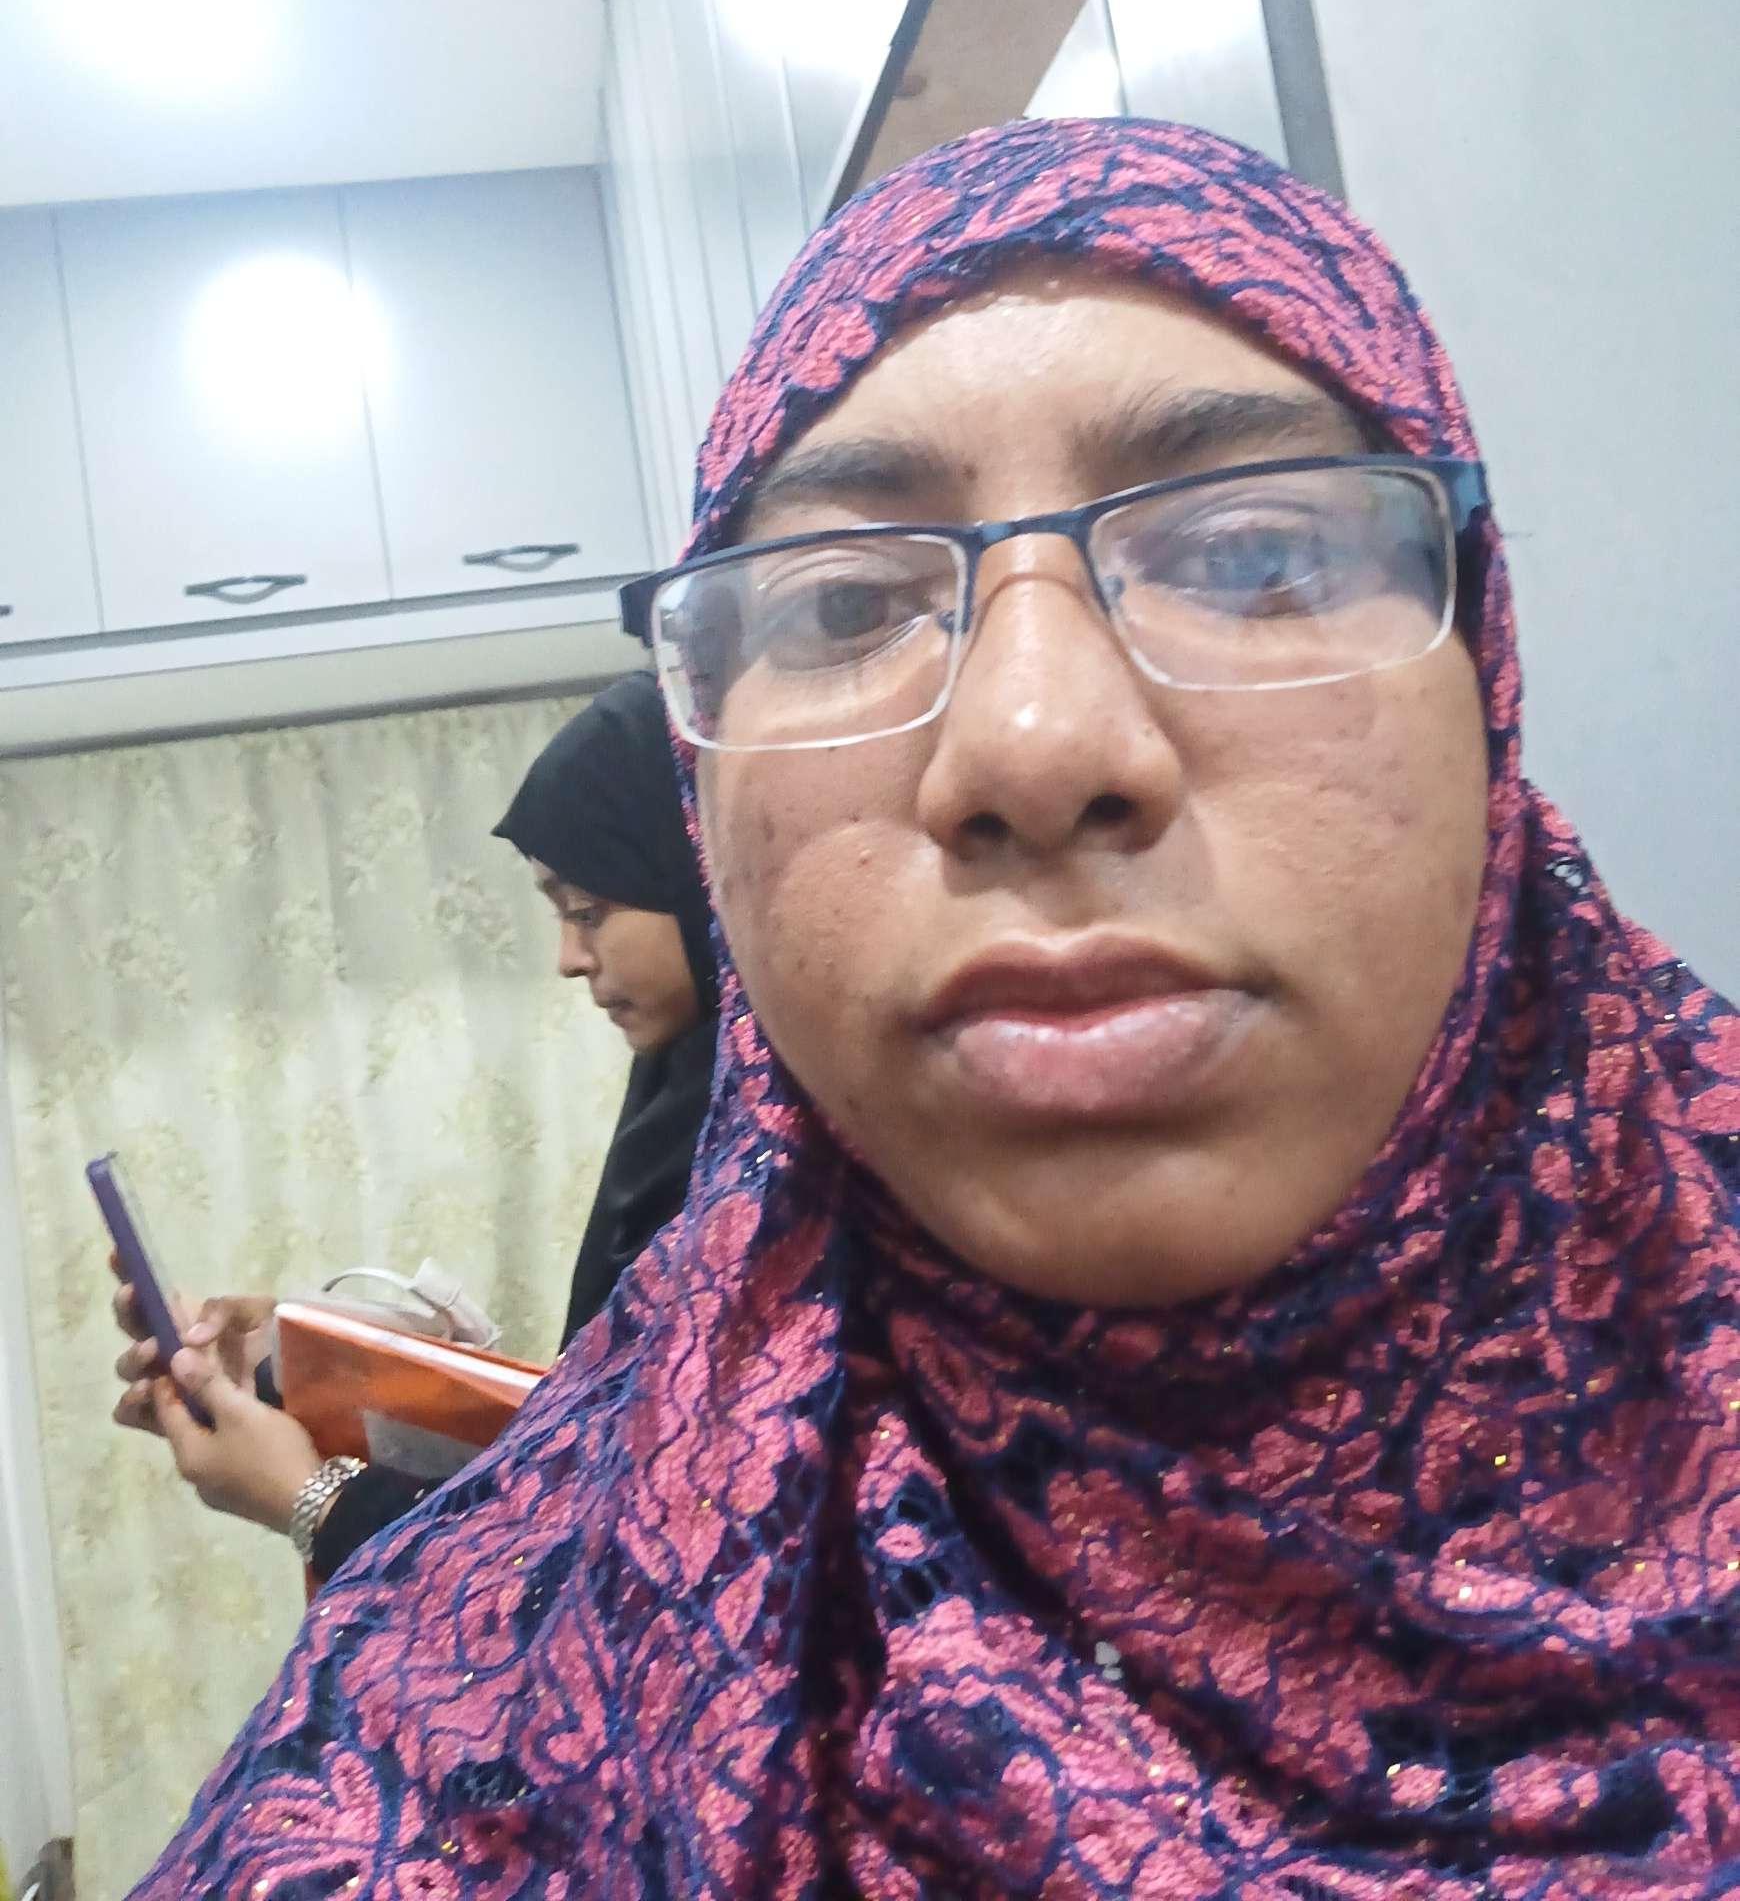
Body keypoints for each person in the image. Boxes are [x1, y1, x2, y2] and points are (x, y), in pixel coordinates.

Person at [128, 118, 1740, 1898]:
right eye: (844, 603)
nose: (1035, 747)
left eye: (1251, 552)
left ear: (1484, 665)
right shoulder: (455, 1737)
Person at [111, 670, 717, 1583]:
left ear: (702, 871)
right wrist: (299, 1365)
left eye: (589, 910)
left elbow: (645, 1551)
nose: (567, 957)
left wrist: (311, 1499)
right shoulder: (685, 1109)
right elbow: (594, 1441)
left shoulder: (776, 1160)